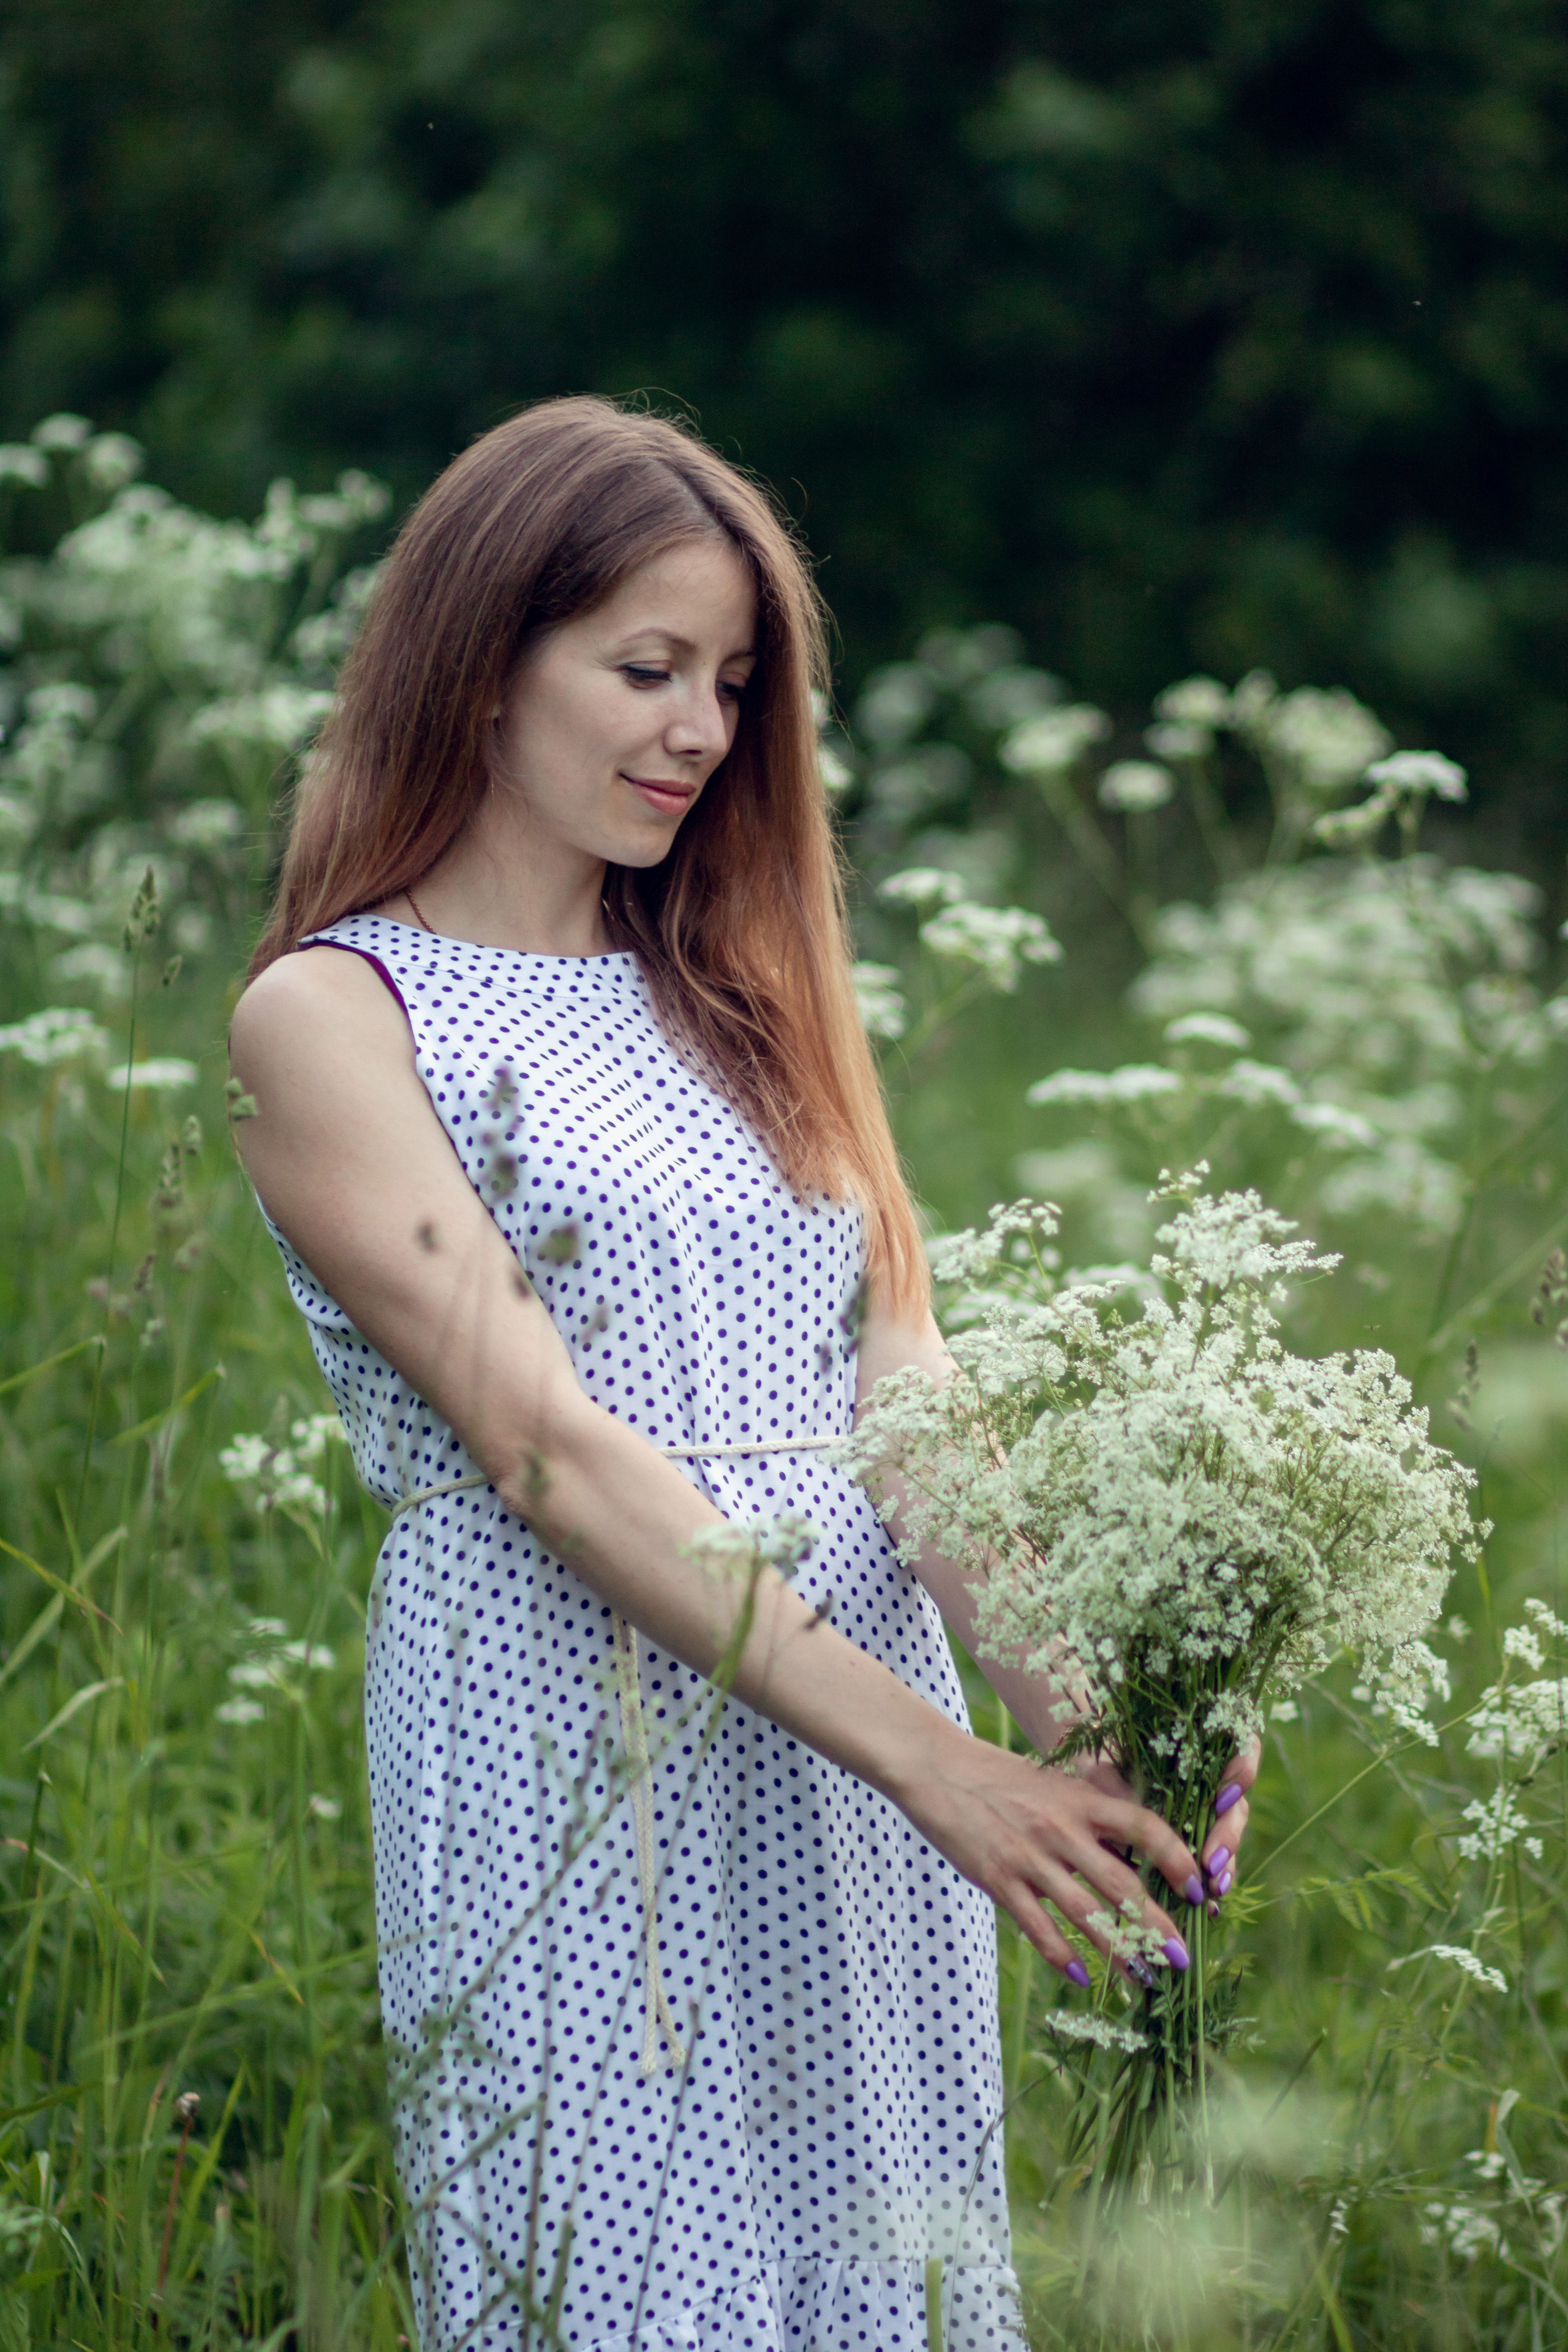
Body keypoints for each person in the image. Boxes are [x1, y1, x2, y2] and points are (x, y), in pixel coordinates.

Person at [229, 397, 1255, 2352]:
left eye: (730, 682)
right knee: (631, 2287)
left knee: (889, 2278)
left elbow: (908, 1390)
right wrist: (950, 1764)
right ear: (481, 657)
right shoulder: (334, 1016)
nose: (702, 730)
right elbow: (541, 1446)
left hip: (860, 1744)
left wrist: (1074, 1695)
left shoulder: (745, 994)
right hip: (565, 1725)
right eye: (645, 668)